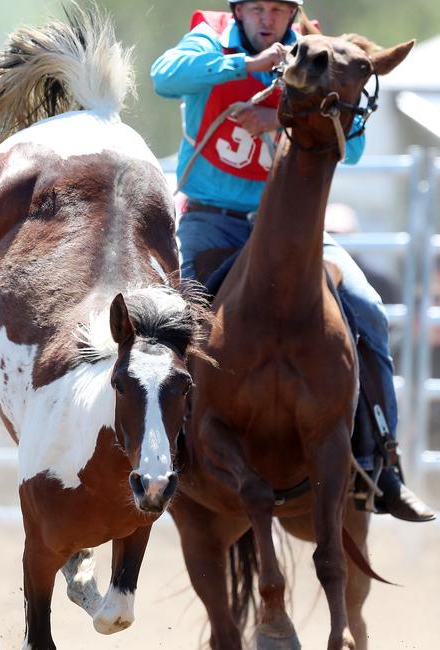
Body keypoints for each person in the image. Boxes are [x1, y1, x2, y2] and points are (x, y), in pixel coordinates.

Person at [151, 0, 434, 521]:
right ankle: (161, 458)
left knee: (365, 305)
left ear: (292, 15)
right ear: (239, 12)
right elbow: (164, 79)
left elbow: (356, 146)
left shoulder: (317, 54)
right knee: (172, 322)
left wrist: (281, 119)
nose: (267, 19)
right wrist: (246, 67)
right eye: (256, 8)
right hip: (212, 221)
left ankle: (381, 464)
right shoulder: (210, 39)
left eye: (278, 10)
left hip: (289, 227)